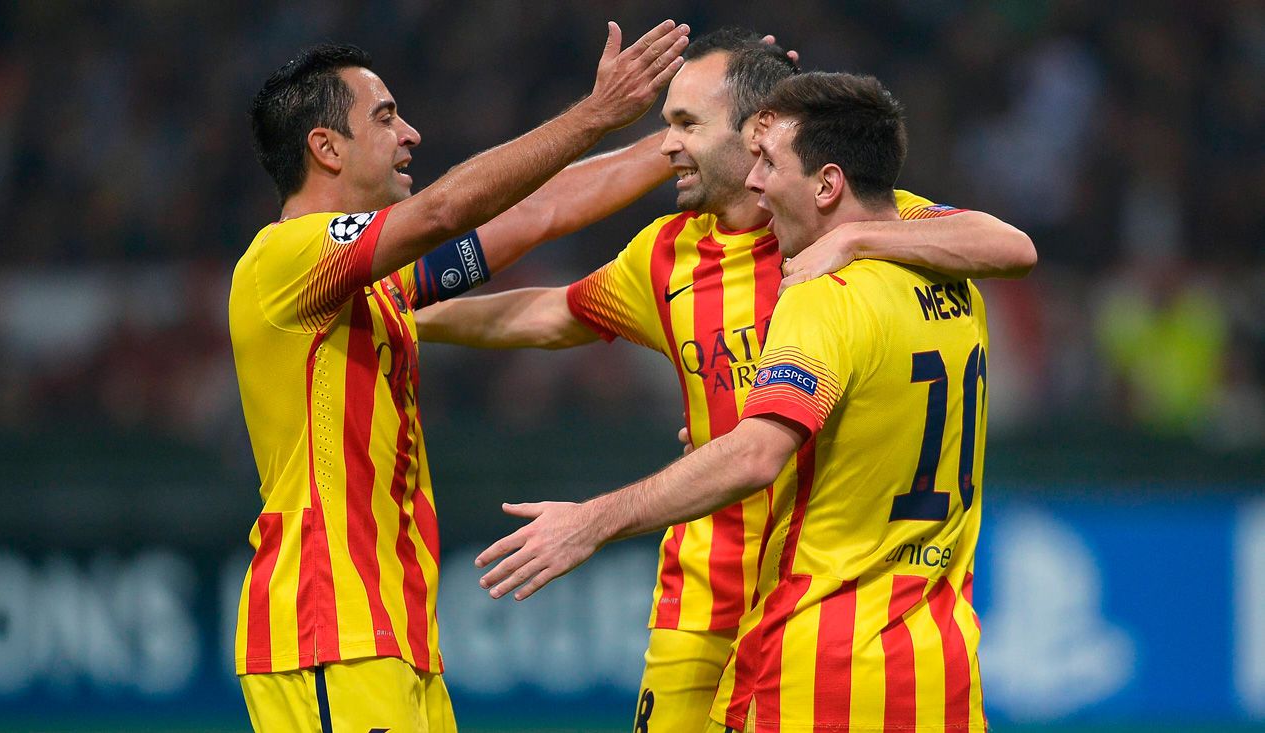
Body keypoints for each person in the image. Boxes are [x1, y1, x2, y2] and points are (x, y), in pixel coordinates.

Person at [417, 28, 1027, 733]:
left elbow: (1009, 245)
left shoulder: (850, 233)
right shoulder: (669, 256)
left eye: (684, 124)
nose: (666, 146)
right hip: (707, 599)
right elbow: (552, 313)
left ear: (758, 132)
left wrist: (858, 239)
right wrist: (408, 313)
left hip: (813, 590)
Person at [228, 21, 690, 733]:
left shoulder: (373, 284)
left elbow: (540, 211)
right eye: (385, 118)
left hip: (395, 637)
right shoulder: (284, 261)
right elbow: (445, 209)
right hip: (327, 626)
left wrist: (689, 139)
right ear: (325, 147)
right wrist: (595, 112)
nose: (410, 134)